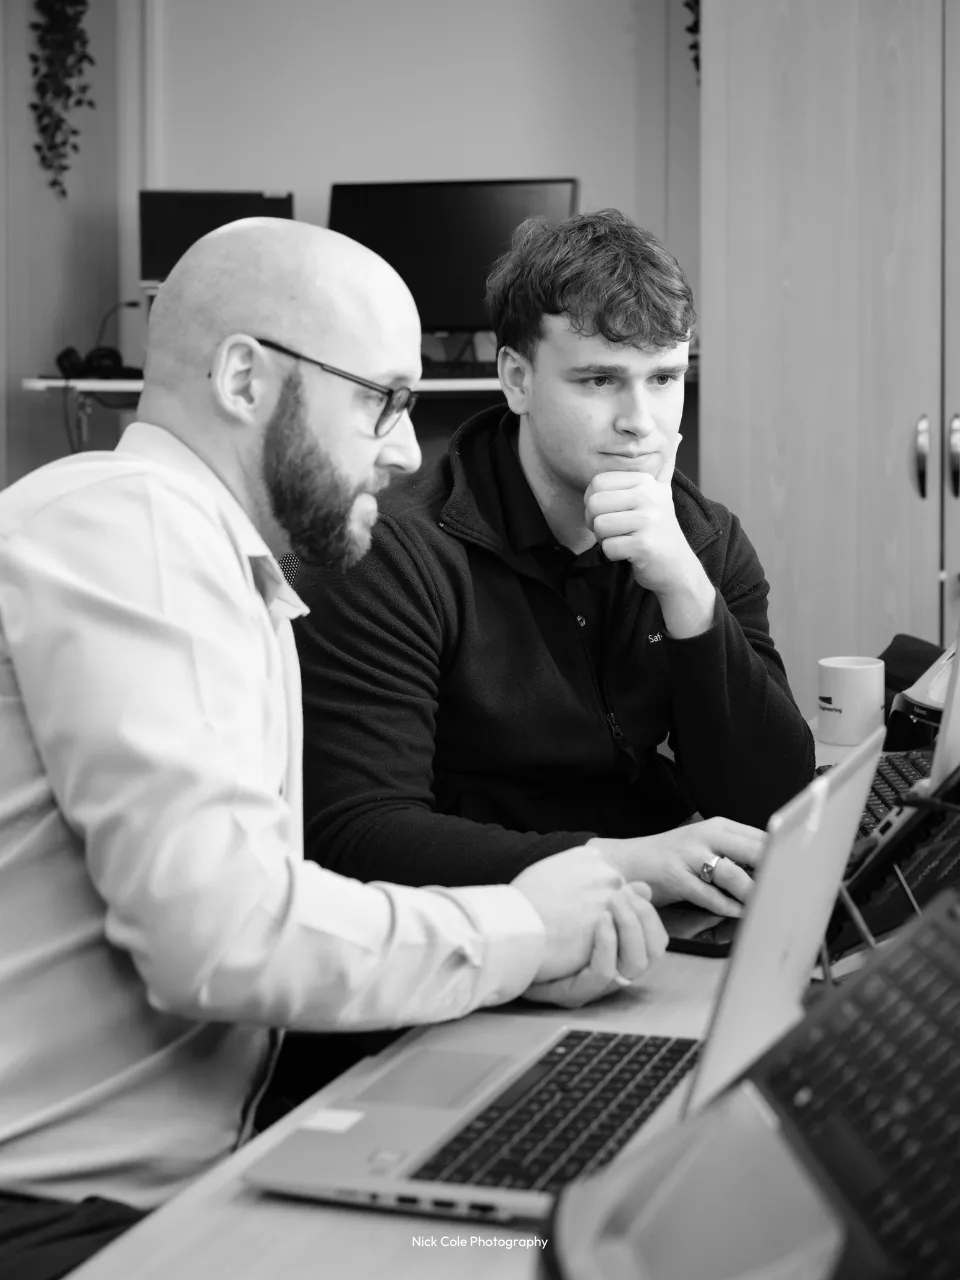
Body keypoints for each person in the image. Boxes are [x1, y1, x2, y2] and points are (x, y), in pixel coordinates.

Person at [0, 217, 667, 1279]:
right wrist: (521, 928)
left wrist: (504, 963)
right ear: (242, 377)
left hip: (187, 1169)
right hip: (61, 1219)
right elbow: (220, 933)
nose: (408, 448)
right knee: (549, 1250)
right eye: (384, 400)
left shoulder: (209, 556)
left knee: (551, 1226)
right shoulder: (136, 528)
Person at [294, 209, 816, 913]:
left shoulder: (701, 537)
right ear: (516, 380)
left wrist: (688, 592)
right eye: (600, 381)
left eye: (663, 379)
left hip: (652, 916)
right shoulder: (392, 552)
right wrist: (624, 866)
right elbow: (358, 834)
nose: (640, 420)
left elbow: (773, 806)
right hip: (475, 935)